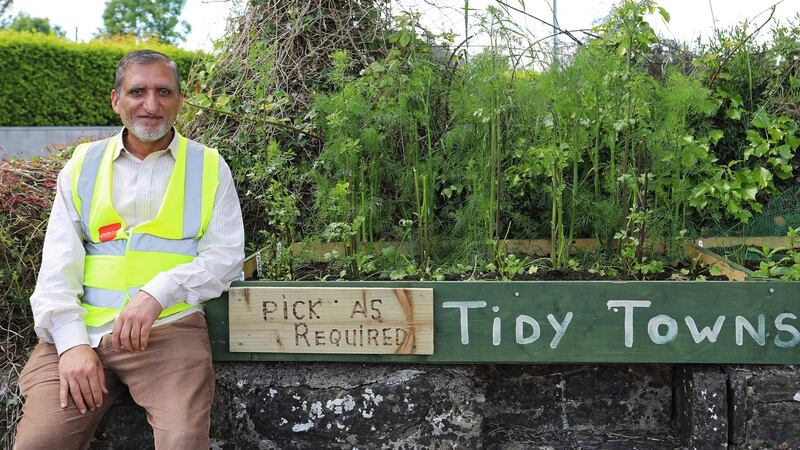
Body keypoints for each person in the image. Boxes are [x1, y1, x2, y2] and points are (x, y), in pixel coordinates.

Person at [14, 50, 244, 449]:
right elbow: (57, 269)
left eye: (164, 92)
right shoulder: (82, 164)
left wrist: (158, 293)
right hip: (82, 329)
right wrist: (71, 344)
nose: (151, 105)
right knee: (39, 443)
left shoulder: (209, 165)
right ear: (116, 99)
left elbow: (226, 257)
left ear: (180, 100)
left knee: (183, 441)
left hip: (168, 331)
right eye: (137, 91)